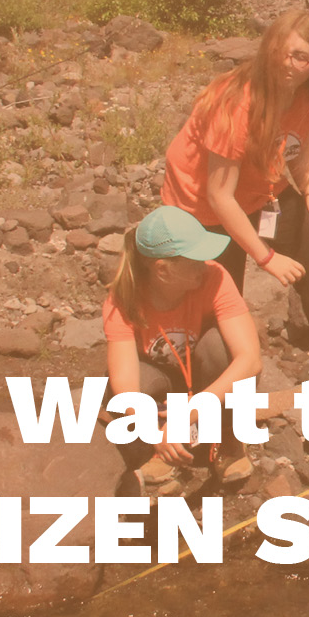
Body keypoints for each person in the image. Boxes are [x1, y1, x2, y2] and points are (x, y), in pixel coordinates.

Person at [162, 10, 309, 400]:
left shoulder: (307, 94)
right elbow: (219, 195)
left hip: (260, 191)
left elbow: (301, 153)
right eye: (283, 51)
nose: (289, 63)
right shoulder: (233, 101)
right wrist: (266, 258)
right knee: (219, 298)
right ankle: (204, 392)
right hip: (202, 207)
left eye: (302, 57)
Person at [103, 206, 262, 487]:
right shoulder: (124, 298)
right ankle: (159, 450)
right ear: (163, 270)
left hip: (205, 383)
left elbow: (250, 360)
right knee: (119, 387)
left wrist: (188, 413)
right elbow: (125, 385)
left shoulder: (215, 277)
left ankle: (227, 435)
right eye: (196, 259)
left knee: (218, 347)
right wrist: (154, 431)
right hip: (162, 389)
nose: (206, 262)